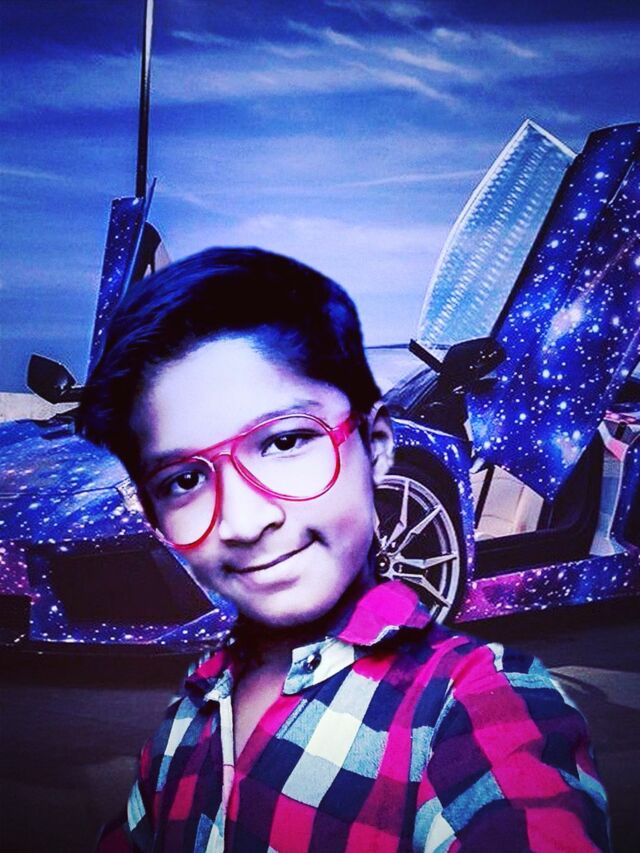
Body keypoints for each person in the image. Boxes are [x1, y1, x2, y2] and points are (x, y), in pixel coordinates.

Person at [80, 247, 609, 852]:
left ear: (378, 445)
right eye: (185, 479)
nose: (244, 521)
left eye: (285, 442)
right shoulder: (185, 724)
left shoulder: (475, 707)